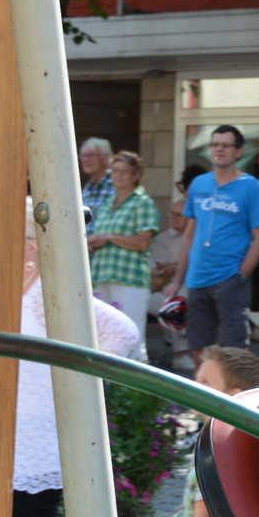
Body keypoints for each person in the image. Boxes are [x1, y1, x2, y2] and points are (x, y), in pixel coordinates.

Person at [11, 198, 141, 517]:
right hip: (1, 435)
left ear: (32, 247)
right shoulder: (7, 290)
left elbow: (123, 332)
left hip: (34, 439)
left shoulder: (45, 293)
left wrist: (77, 388)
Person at [163, 125, 259, 364]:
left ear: (238, 152)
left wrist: (240, 275)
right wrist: (178, 280)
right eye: (214, 144)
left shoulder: (251, 187)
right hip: (197, 280)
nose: (219, 149)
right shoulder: (199, 185)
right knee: (198, 348)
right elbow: (189, 234)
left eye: (225, 145)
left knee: (236, 349)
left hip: (229, 279)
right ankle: (204, 401)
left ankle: (238, 398)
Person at [168, 345, 259, 517]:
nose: (194, 387)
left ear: (233, 397)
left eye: (205, 382)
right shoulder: (232, 438)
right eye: (197, 379)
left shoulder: (217, 449)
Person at [88, 150, 162, 362]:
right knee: (105, 337)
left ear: (135, 175)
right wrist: (93, 242)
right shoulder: (108, 203)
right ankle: (110, 391)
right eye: (115, 171)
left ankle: (136, 393)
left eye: (124, 171)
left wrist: (109, 237)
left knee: (131, 337)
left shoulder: (142, 202)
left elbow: (143, 242)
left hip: (129, 278)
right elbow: (101, 237)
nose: (118, 175)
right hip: (102, 275)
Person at [79, 137, 115, 222]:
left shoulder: (117, 185)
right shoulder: (87, 188)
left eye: (91, 155)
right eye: (84, 155)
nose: (87, 160)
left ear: (105, 158)